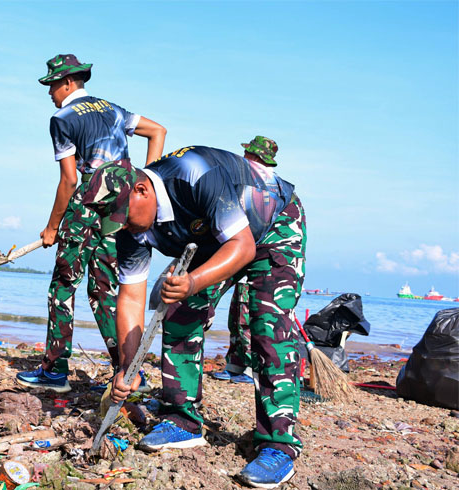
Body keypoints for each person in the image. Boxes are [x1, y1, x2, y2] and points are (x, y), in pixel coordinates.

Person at [83, 145, 305, 488]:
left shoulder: (196, 175)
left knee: (267, 326)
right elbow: (130, 298)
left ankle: (279, 445)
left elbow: (243, 246)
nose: (123, 226)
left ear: (142, 190)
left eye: (123, 215)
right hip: (212, 237)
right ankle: (182, 420)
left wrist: (193, 281)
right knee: (179, 311)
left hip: (272, 226)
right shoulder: (130, 229)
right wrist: (128, 367)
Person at [15, 54, 166, 393]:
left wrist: (52, 225)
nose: (50, 93)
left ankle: (54, 371)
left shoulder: (62, 117)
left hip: (90, 198)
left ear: (68, 83)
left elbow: (69, 180)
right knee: (105, 289)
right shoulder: (112, 109)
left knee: (63, 285)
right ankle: (128, 372)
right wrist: (145, 179)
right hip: (124, 204)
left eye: (52, 86)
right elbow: (158, 131)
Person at [211, 136, 280, 384]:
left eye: (248, 154)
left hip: (257, 258)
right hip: (244, 256)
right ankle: (235, 365)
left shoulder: (264, 186)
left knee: (248, 315)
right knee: (236, 314)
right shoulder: (253, 181)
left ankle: (250, 369)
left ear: (255, 157)